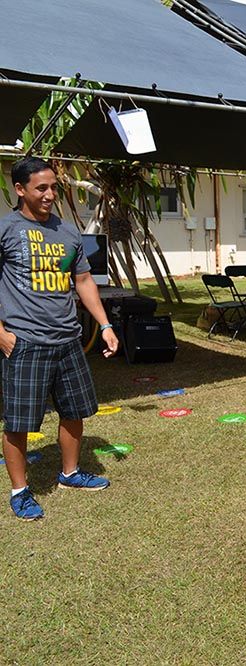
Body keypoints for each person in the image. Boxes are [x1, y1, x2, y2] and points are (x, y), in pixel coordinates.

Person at [0, 157, 120, 521]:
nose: (50, 194)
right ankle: (20, 491)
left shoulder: (68, 233)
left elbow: (82, 281)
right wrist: (1, 335)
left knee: (75, 412)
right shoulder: (6, 229)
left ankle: (69, 473)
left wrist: (105, 324)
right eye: (41, 188)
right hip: (24, 341)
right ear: (20, 189)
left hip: (67, 339)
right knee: (19, 422)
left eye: (54, 187)